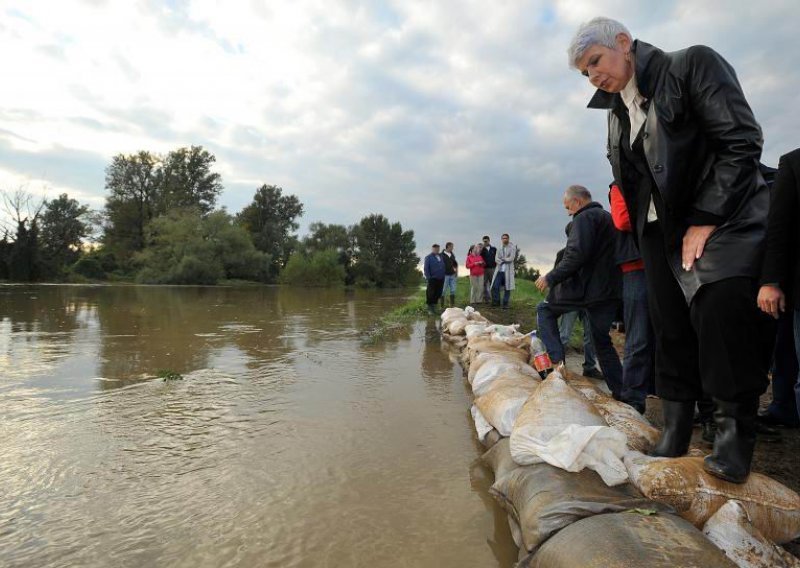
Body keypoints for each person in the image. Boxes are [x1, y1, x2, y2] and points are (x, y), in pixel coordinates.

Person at [570, 17, 775, 482]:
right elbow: (636, 178)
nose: (593, 77)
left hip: (722, 216)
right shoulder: (616, 109)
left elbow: (741, 140)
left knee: (718, 312)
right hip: (658, 231)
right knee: (670, 326)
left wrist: (706, 218)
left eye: (596, 62)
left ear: (624, 43)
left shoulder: (691, 65)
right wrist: (649, 233)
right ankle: (677, 426)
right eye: (585, 73)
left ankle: (732, 434)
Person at [535, 185, 625, 405]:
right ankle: (623, 394)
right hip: (608, 291)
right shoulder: (607, 218)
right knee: (602, 342)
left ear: (577, 201)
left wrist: (551, 277)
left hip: (587, 290)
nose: (568, 212)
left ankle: (558, 364)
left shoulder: (584, 219)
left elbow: (576, 254)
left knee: (544, 309)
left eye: (568, 207)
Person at [758, 147, 800, 428]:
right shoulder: (793, 163)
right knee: (784, 352)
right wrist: (770, 281)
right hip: (791, 285)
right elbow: (779, 227)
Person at [608, 181, 653, 415]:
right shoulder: (620, 185)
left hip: (661, 263)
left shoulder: (660, 178)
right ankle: (633, 396)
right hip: (636, 265)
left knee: (666, 333)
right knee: (638, 335)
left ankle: (662, 390)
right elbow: (623, 220)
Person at [554, 221, 601, 378]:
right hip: (570, 300)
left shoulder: (592, 254)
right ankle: (559, 365)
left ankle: (590, 366)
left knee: (591, 335)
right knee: (564, 334)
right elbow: (556, 277)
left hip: (589, 300)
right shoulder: (562, 254)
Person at [490, 234, 517, 308]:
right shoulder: (499, 248)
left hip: (508, 271)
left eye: (506, 238)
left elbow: (511, 258)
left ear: (508, 239)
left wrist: (503, 259)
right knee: (495, 286)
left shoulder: (512, 247)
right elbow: (496, 259)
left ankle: (505, 303)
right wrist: (503, 260)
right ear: (501, 239)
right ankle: (497, 301)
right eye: (503, 238)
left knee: (507, 288)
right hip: (499, 270)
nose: (504, 239)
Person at [423, 244, 446, 315]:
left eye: (438, 249)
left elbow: (442, 266)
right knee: (430, 293)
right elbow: (426, 268)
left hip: (441, 278)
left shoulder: (441, 256)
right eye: (435, 249)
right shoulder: (428, 257)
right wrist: (428, 278)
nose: (437, 250)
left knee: (438, 293)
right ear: (432, 249)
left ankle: (434, 307)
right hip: (432, 278)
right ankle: (430, 308)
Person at [441, 242, 459, 308]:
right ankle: (442, 306)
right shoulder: (441, 255)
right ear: (448, 246)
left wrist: (456, 271)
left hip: (452, 275)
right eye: (452, 247)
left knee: (453, 290)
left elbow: (455, 264)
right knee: (443, 290)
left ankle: (452, 305)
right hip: (445, 275)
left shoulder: (452, 255)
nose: (453, 248)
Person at [480, 235, 497, 302]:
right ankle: (486, 298)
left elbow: (497, 258)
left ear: (489, 240)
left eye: (486, 241)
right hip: (484, 269)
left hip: (492, 268)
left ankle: (494, 298)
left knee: (492, 283)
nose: (485, 242)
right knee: (484, 283)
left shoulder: (494, 249)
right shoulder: (482, 250)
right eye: (484, 241)